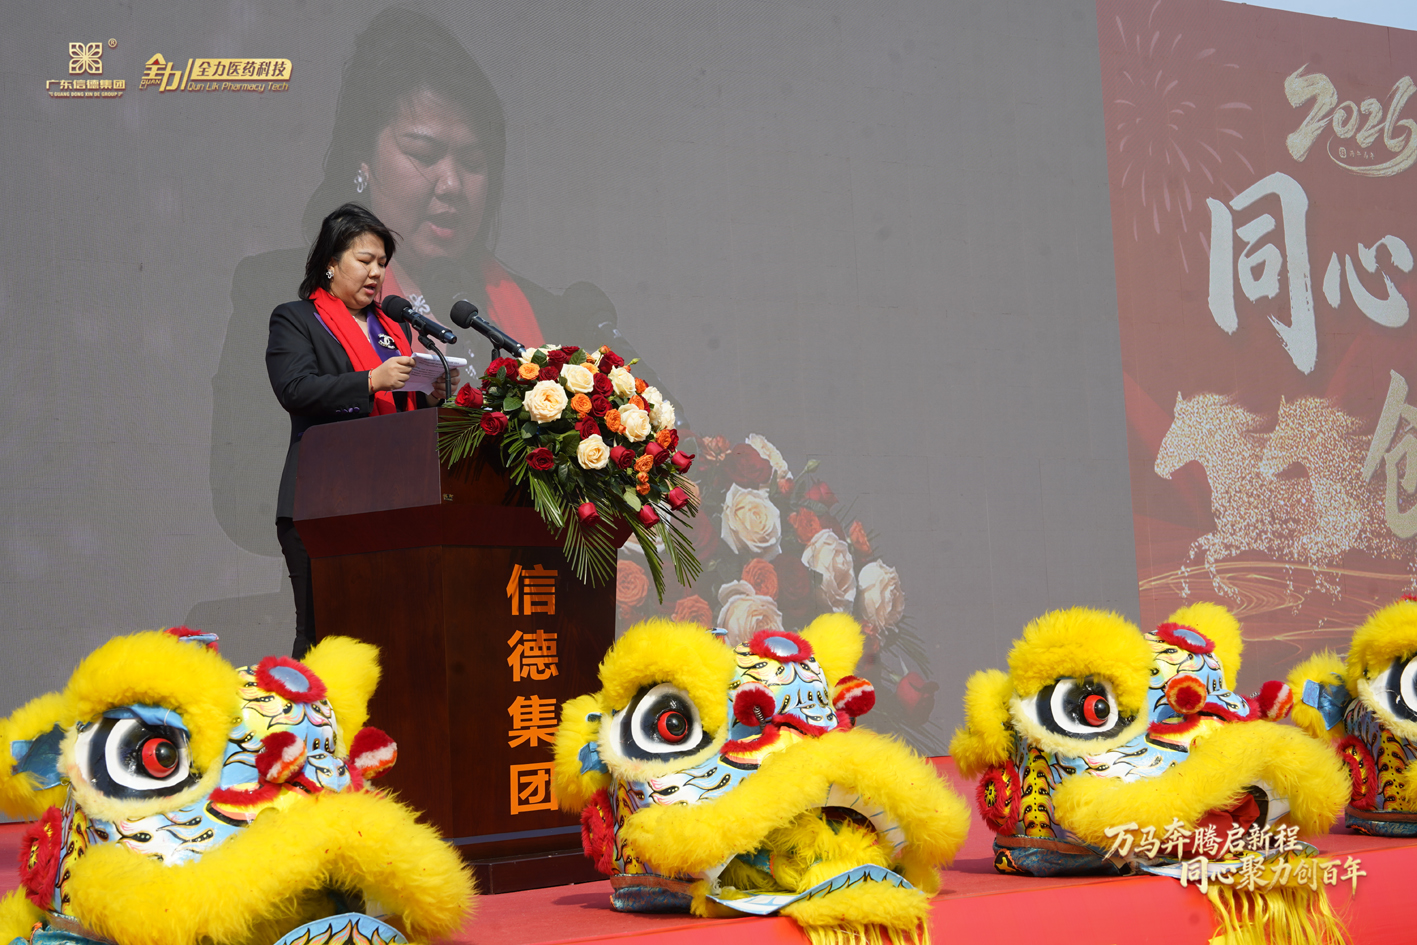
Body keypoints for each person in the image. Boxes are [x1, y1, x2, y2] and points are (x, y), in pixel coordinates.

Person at [211, 7, 655, 562]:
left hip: (529, 603)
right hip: (356, 599)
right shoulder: (284, 297)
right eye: (423, 155)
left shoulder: (545, 318)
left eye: (472, 161)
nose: (451, 184)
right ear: (362, 161)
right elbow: (246, 495)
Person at [267, 203, 457, 659]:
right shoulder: (297, 319)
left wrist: (429, 397)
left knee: (391, 634)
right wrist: (370, 380)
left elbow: (402, 412)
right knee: (323, 633)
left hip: (393, 501)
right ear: (331, 263)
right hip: (320, 500)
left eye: (383, 263)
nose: (376, 273)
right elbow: (295, 389)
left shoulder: (393, 329)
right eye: (365, 260)